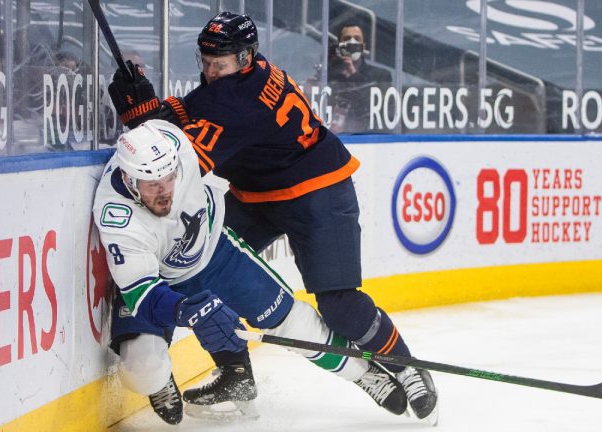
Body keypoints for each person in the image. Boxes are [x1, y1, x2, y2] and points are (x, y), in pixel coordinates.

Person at [106, 12, 438, 423]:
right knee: (201, 264)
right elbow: (194, 109)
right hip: (259, 194)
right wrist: (153, 107)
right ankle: (235, 374)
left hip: (318, 192)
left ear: (245, 58)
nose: (210, 72)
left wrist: (141, 118)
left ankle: (406, 366)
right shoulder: (241, 77)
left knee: (340, 305)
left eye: (219, 65)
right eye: (205, 62)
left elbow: (183, 160)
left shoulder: (240, 101)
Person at [93, 119, 388, 424]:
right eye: (153, 185)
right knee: (143, 372)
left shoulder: (177, 146)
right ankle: (161, 377)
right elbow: (143, 293)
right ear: (129, 181)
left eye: (169, 179)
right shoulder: (117, 216)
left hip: (213, 252)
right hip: (159, 280)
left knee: (291, 319)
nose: (165, 191)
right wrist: (187, 310)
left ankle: (364, 373)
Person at [327, 23, 392, 133]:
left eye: (357, 39)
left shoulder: (380, 75)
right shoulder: (329, 75)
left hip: (367, 137)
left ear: (363, 46)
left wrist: (353, 74)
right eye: (347, 38)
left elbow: (377, 108)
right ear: (339, 45)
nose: (352, 42)